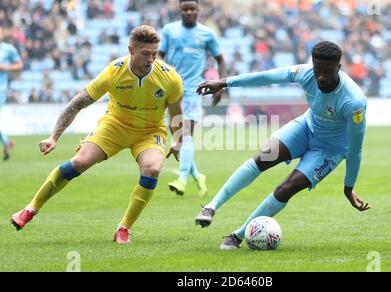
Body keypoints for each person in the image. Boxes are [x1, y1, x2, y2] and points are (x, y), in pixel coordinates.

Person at [10, 26, 184, 244]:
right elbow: (78, 102)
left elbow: (176, 112)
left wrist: (178, 141)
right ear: (131, 49)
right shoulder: (114, 71)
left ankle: (123, 228)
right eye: (145, 53)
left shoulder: (169, 77)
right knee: (78, 162)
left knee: (152, 169)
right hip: (115, 126)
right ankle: (29, 210)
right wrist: (54, 137)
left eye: (155, 53)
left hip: (149, 132)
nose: (151, 59)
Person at [195, 41, 371, 250]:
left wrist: (348, 188)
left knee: (286, 188)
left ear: (339, 68)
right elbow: (267, 77)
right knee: (264, 157)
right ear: (312, 65)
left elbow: (356, 149)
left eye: (327, 72)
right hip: (306, 127)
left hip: (329, 150)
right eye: (317, 70)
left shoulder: (354, 103)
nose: (321, 77)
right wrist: (224, 82)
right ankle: (211, 207)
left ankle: (237, 236)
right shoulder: (304, 73)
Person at [158, 0, 227, 197]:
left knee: (185, 134)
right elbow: (159, 56)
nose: (189, 12)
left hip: (193, 91)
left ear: (198, 10)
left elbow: (221, 60)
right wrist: (166, 72)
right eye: (185, 9)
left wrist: (220, 86)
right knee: (178, 139)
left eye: (192, 9)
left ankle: (182, 179)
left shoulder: (206, 34)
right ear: (180, 10)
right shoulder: (170, 31)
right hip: (172, 90)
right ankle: (198, 176)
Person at [0, 27, 23, 161]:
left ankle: (6, 142)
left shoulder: (8, 49)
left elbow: (19, 65)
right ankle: (6, 142)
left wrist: (5, 67)